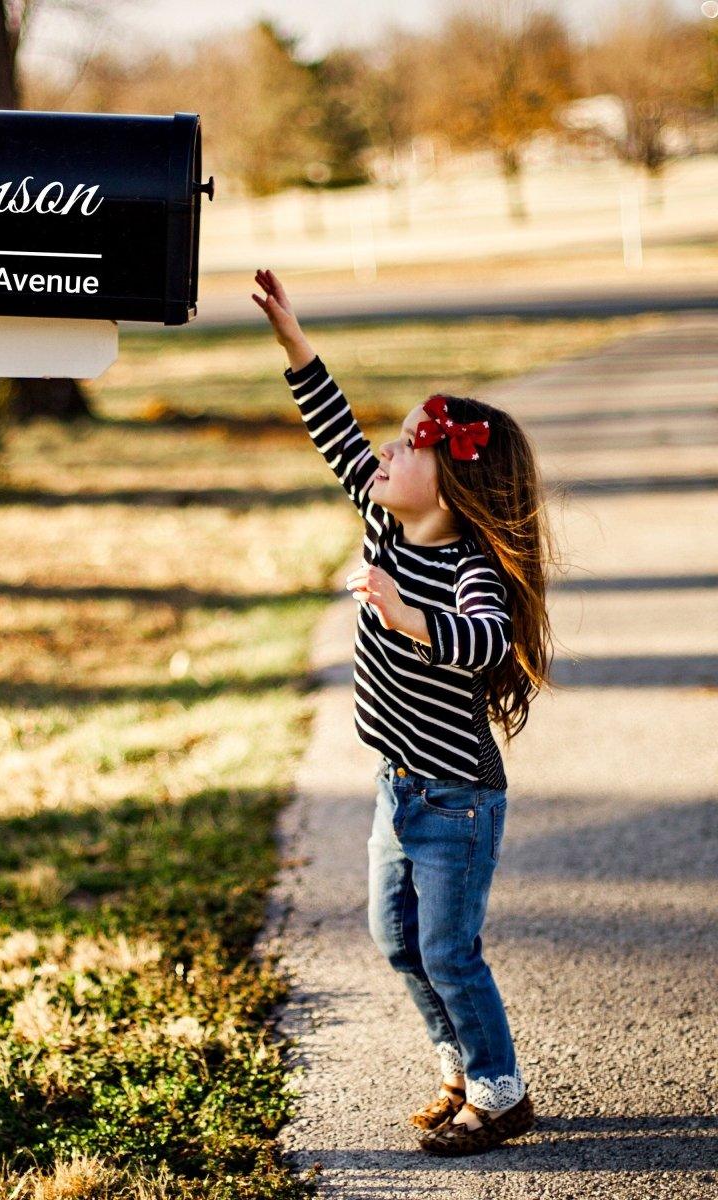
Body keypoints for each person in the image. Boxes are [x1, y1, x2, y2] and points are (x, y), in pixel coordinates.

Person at [252, 268, 555, 1156]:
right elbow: (334, 433)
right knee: (396, 940)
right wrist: (294, 341)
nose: (381, 457)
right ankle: (457, 1065)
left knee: (451, 950)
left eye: (404, 450)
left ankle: (501, 1095)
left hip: (457, 797)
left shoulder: (466, 566)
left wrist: (405, 614)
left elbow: (487, 642)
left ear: (451, 483)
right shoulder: (385, 524)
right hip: (398, 788)